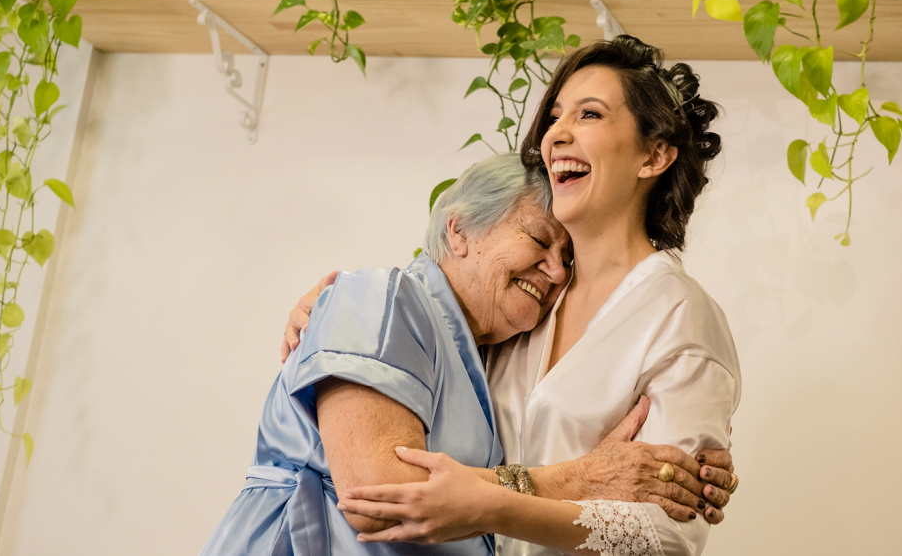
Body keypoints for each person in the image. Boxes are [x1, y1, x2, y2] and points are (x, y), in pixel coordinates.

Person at [282, 36, 741, 556]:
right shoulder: (523, 310)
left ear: (653, 155)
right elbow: (418, 337)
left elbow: (673, 535)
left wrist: (497, 501)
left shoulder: (679, 315)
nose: (557, 134)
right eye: (554, 117)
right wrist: (333, 312)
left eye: (589, 114)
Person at [203, 152, 715, 556]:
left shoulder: (486, 357)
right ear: (459, 229)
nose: (556, 272)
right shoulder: (381, 298)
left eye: (566, 260)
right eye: (538, 239)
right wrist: (581, 478)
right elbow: (378, 498)